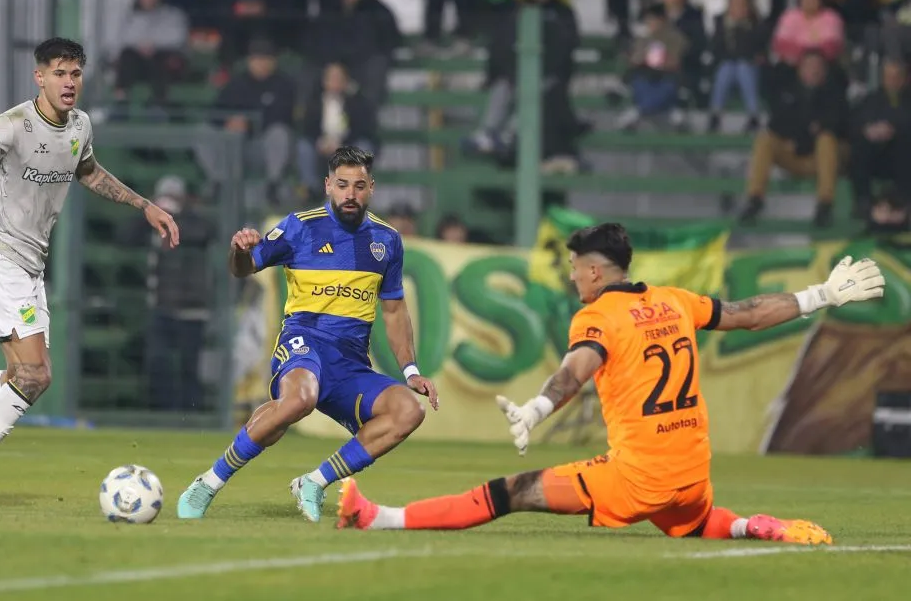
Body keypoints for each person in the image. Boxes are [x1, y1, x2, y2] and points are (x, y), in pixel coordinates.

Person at [337, 223, 885, 544]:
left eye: (575, 266)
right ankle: (753, 527)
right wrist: (822, 294)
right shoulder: (674, 300)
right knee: (694, 524)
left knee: (510, 492)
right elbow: (747, 313)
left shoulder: (598, 316)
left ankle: (377, 518)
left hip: (639, 474)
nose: (572, 274)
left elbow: (574, 370)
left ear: (596, 272)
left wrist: (536, 409)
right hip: (692, 469)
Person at [0, 37, 180, 509]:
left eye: (76, 74)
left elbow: (90, 173)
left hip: (29, 267)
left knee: (20, 377)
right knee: (35, 375)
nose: (69, 83)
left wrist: (143, 204)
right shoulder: (11, 125)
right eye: (59, 73)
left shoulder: (80, 125)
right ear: (39, 77)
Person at [177, 146, 438, 523]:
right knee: (300, 398)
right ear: (328, 185)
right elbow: (243, 268)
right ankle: (210, 481)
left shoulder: (387, 240)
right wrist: (240, 250)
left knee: (408, 411)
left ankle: (314, 482)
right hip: (304, 343)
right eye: (342, 185)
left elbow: (394, 310)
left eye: (359, 186)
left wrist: (411, 372)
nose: (350, 194)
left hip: (349, 363)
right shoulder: (300, 226)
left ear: (371, 188)